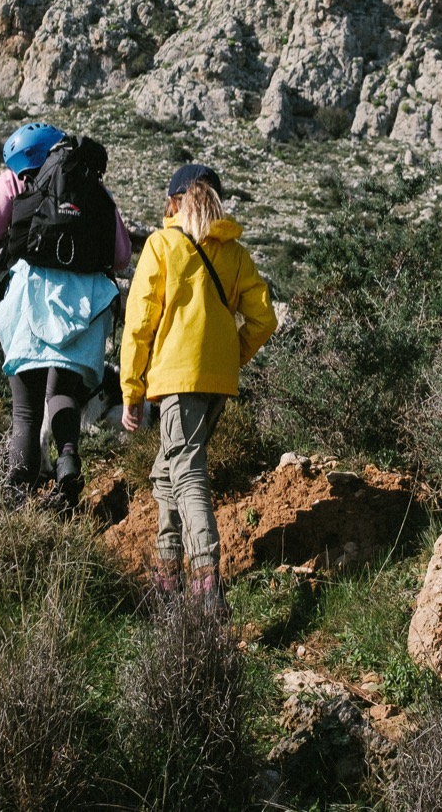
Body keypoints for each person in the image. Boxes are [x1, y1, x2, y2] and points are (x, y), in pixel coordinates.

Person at [120, 162, 277, 608]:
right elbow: (264, 317)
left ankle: (207, 583)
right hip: (217, 381)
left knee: (186, 471)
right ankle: (167, 580)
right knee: (167, 470)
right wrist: (234, 355)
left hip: (177, 377)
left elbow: (138, 326)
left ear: (174, 202)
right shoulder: (234, 253)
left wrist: (130, 390)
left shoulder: (162, 245)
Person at [0, 121, 131, 505]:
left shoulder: (14, 181)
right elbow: (121, 256)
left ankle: (18, 489)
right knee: (62, 392)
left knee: (25, 407)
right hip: (85, 305)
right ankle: (68, 461)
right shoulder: (90, 183)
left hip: (28, 298)